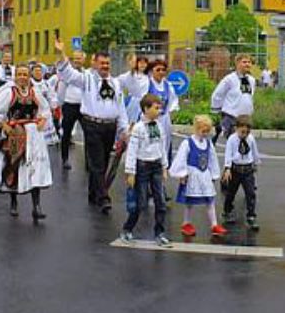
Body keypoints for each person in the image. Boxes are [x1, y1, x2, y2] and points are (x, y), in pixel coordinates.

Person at [55, 38, 128, 213]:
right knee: (97, 163)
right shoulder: (86, 78)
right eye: (102, 63)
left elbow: (121, 108)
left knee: (102, 160)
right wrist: (61, 53)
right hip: (92, 125)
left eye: (108, 63)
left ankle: (94, 193)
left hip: (109, 126)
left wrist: (123, 130)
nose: (105, 66)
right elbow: (68, 74)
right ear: (94, 63)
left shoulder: (115, 83)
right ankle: (104, 198)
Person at [0, 63, 52, 219]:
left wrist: (43, 120)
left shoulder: (35, 92)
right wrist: (3, 124)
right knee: (14, 166)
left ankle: (36, 206)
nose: (23, 77)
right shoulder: (9, 93)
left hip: (34, 134)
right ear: (15, 77)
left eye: (25, 74)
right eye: (20, 74)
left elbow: (46, 109)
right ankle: (13, 202)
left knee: (34, 168)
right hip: (15, 134)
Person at [118, 94, 172, 247]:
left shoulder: (159, 126)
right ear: (146, 109)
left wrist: (164, 167)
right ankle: (127, 229)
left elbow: (162, 147)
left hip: (155, 166)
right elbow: (132, 151)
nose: (158, 111)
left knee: (160, 202)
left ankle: (159, 233)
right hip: (142, 167)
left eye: (159, 108)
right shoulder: (138, 128)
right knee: (140, 203)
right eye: (156, 108)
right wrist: (130, 172)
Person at [169, 115, 227, 238]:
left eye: (207, 131)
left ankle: (214, 225)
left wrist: (214, 173)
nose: (205, 134)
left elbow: (212, 158)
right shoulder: (188, 143)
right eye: (203, 131)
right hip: (192, 175)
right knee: (189, 201)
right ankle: (186, 223)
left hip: (204, 175)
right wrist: (182, 173)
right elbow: (181, 158)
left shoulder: (208, 143)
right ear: (196, 129)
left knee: (210, 199)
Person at [221, 115, 261, 230]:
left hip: (247, 169)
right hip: (235, 169)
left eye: (247, 132)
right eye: (242, 132)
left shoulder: (251, 139)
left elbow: (254, 151)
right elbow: (228, 154)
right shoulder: (232, 139)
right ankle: (227, 211)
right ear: (236, 128)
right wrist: (227, 168)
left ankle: (251, 216)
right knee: (231, 192)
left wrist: (256, 162)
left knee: (250, 193)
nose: (244, 134)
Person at [210, 54, 256, 144]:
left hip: (245, 118)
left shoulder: (252, 80)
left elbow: (248, 96)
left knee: (245, 145)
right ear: (237, 63)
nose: (247, 64)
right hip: (232, 117)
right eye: (244, 62)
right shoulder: (230, 79)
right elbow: (217, 94)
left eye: (249, 62)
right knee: (235, 143)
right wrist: (216, 111)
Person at [56, 50, 86, 170]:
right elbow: (61, 90)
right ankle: (65, 159)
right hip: (69, 105)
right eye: (75, 58)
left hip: (83, 107)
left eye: (79, 58)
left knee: (88, 134)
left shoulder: (87, 74)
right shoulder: (67, 74)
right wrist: (60, 104)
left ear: (84, 59)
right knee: (66, 134)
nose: (77, 60)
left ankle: (89, 161)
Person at [30, 63, 59, 146]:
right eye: (36, 71)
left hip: (45, 114)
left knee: (45, 142)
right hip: (34, 113)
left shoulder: (46, 84)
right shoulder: (29, 83)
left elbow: (52, 96)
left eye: (40, 71)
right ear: (32, 72)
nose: (38, 73)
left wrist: (53, 107)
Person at [117, 54, 150, 123]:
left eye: (144, 63)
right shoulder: (130, 75)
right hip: (132, 103)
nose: (142, 65)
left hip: (145, 103)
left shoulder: (148, 77)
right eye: (140, 63)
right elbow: (118, 83)